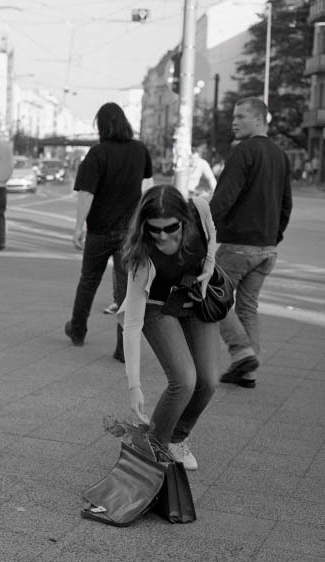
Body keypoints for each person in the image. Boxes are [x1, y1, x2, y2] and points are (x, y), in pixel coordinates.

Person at [120, 184, 219, 470]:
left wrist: (208, 268)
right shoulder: (142, 255)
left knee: (209, 380)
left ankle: (176, 438)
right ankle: (150, 450)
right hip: (157, 308)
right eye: (154, 229)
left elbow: (212, 236)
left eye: (170, 227)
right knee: (184, 380)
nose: (162, 235)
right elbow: (132, 323)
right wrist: (134, 386)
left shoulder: (199, 208)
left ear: (184, 218)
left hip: (195, 303)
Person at [210, 97, 292, 389]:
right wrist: (273, 238)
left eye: (241, 116)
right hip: (267, 250)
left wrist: (201, 224)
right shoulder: (281, 156)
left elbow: (224, 198)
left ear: (260, 119)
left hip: (239, 246)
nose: (234, 121)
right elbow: (286, 205)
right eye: (234, 116)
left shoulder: (243, 151)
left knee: (210, 295)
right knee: (247, 308)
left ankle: (242, 352)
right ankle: (248, 372)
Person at [65, 102, 153, 362]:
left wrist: (78, 227)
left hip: (99, 231)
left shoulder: (97, 154)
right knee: (126, 290)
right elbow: (148, 184)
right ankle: (123, 348)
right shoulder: (140, 150)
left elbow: (87, 193)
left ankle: (78, 331)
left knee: (88, 280)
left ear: (101, 126)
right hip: (129, 232)